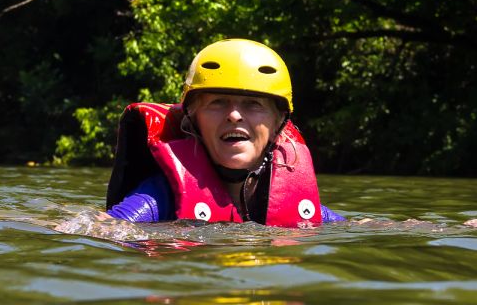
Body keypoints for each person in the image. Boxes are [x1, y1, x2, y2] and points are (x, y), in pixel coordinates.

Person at [106, 39, 344, 227]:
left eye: (253, 104)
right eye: (218, 102)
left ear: (278, 124)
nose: (234, 115)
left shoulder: (306, 209)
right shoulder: (160, 196)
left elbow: (360, 229)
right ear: (192, 119)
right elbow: (104, 228)